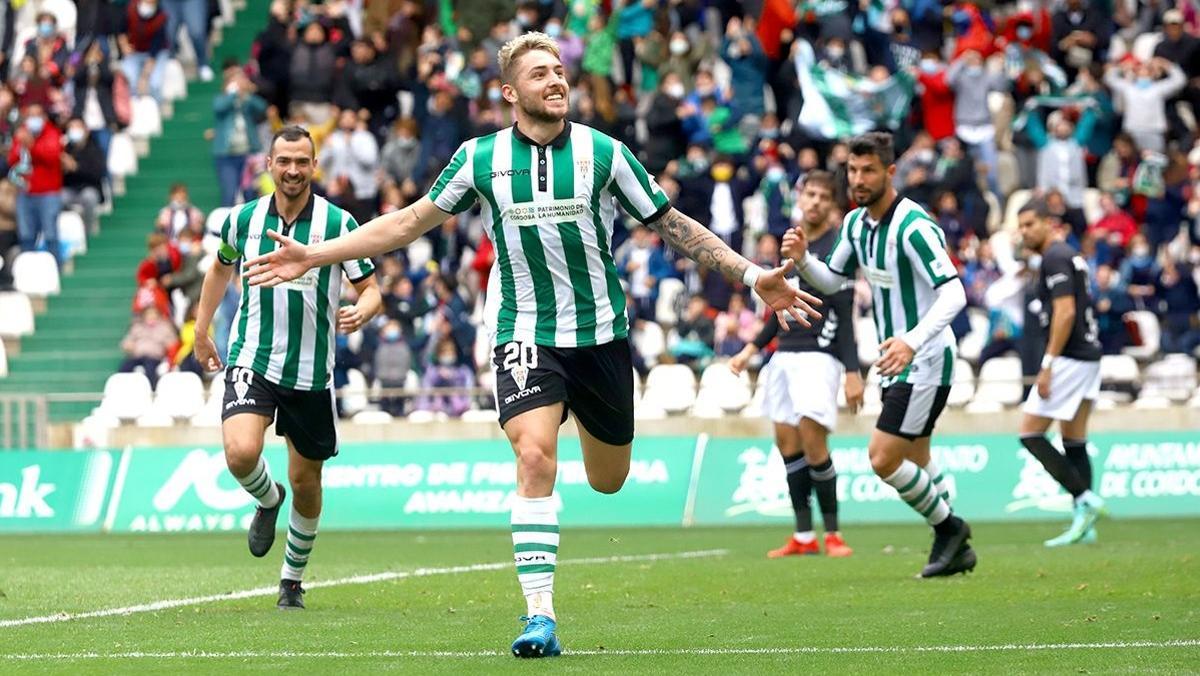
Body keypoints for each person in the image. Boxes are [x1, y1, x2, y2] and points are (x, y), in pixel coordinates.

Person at [240, 32, 820, 657]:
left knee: (608, 479)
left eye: (560, 70)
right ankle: (539, 615)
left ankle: (582, 473)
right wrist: (315, 255)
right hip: (523, 334)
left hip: (600, 336)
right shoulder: (479, 159)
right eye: (541, 73)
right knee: (536, 457)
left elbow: (673, 225)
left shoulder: (605, 153)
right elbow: (408, 223)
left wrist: (753, 275)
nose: (557, 80)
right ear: (511, 93)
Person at [192, 125, 382, 610]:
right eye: (285, 161)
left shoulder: (339, 224)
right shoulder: (242, 220)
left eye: (302, 161)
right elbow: (219, 268)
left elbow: (371, 287)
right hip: (251, 358)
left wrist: (365, 310)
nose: (293, 170)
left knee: (307, 482)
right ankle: (265, 498)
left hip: (310, 372)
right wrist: (200, 329)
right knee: (239, 453)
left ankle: (292, 580)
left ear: (314, 165)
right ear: (268, 165)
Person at [782, 131, 975, 578]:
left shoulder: (913, 225)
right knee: (920, 456)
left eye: (868, 170)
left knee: (883, 458)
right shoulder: (855, 224)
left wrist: (912, 340)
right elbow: (832, 281)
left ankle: (951, 529)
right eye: (852, 169)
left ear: (890, 173)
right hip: (896, 363)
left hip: (923, 360)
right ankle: (953, 540)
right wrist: (805, 260)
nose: (858, 178)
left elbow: (954, 294)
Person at [730, 170, 863, 559]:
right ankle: (804, 535)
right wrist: (751, 348)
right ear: (799, 199)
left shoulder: (838, 246)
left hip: (819, 355)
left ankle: (834, 534)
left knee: (813, 440)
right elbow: (779, 305)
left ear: (834, 206)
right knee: (787, 443)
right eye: (810, 194)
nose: (816, 202)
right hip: (783, 355)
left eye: (824, 196)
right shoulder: (791, 245)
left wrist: (852, 371)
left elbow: (843, 306)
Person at [1015, 199, 1108, 547]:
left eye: (1029, 224)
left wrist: (1048, 363)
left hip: (1070, 356)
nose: (1024, 232)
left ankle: (1084, 498)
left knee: (1029, 432)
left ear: (1047, 224)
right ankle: (1085, 524)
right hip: (1088, 354)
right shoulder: (1068, 256)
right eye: (1020, 226)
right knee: (1074, 438)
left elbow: (1065, 312)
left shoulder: (1055, 257)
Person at [8, 105, 63, 266]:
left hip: (48, 193)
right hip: (25, 192)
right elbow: (12, 160)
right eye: (30, 116)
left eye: (37, 115)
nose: (33, 119)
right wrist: (22, 144)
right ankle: (28, 272)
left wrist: (31, 145)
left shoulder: (52, 133)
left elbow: (51, 157)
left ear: (44, 117)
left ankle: (56, 272)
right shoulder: (22, 134)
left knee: (50, 235)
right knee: (26, 235)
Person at [118, 305, 178, 389]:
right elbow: (127, 341)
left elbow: (172, 343)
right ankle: (123, 388)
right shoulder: (137, 327)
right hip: (138, 355)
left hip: (154, 357)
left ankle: (152, 390)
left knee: (150, 369)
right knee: (125, 366)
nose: (151, 316)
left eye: (153, 314)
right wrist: (128, 345)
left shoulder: (165, 327)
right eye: (149, 314)